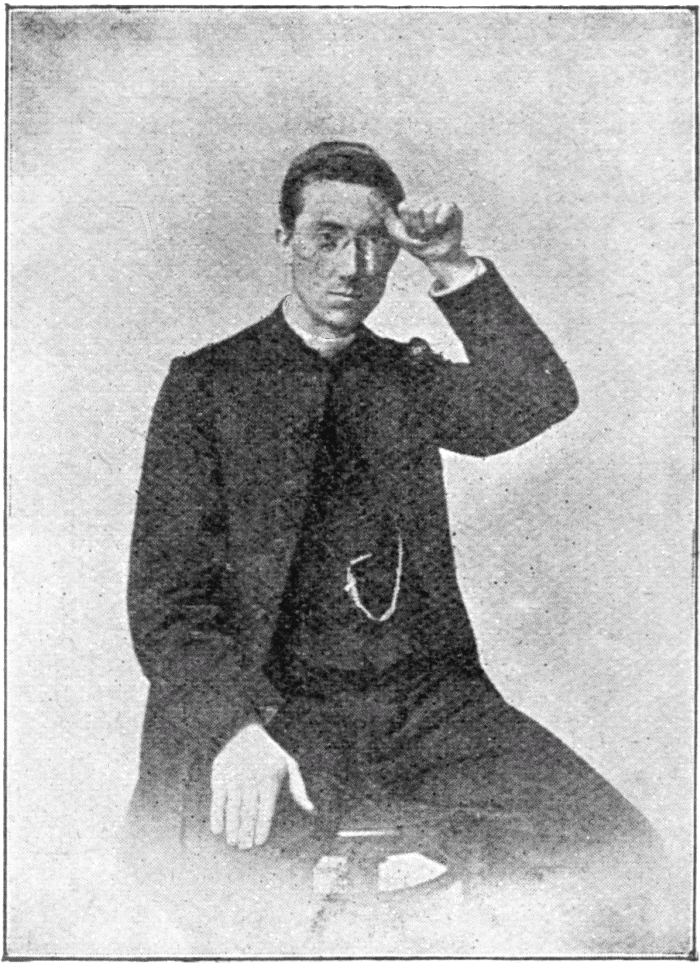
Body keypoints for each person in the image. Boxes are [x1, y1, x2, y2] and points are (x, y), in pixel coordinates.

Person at [125, 142, 659, 941]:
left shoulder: (402, 375)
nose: (354, 266)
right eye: (328, 237)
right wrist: (234, 727)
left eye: (376, 242)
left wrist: (450, 262)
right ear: (285, 239)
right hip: (276, 706)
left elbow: (537, 396)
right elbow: (168, 604)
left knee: (622, 854)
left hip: (425, 707)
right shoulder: (209, 384)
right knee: (243, 906)